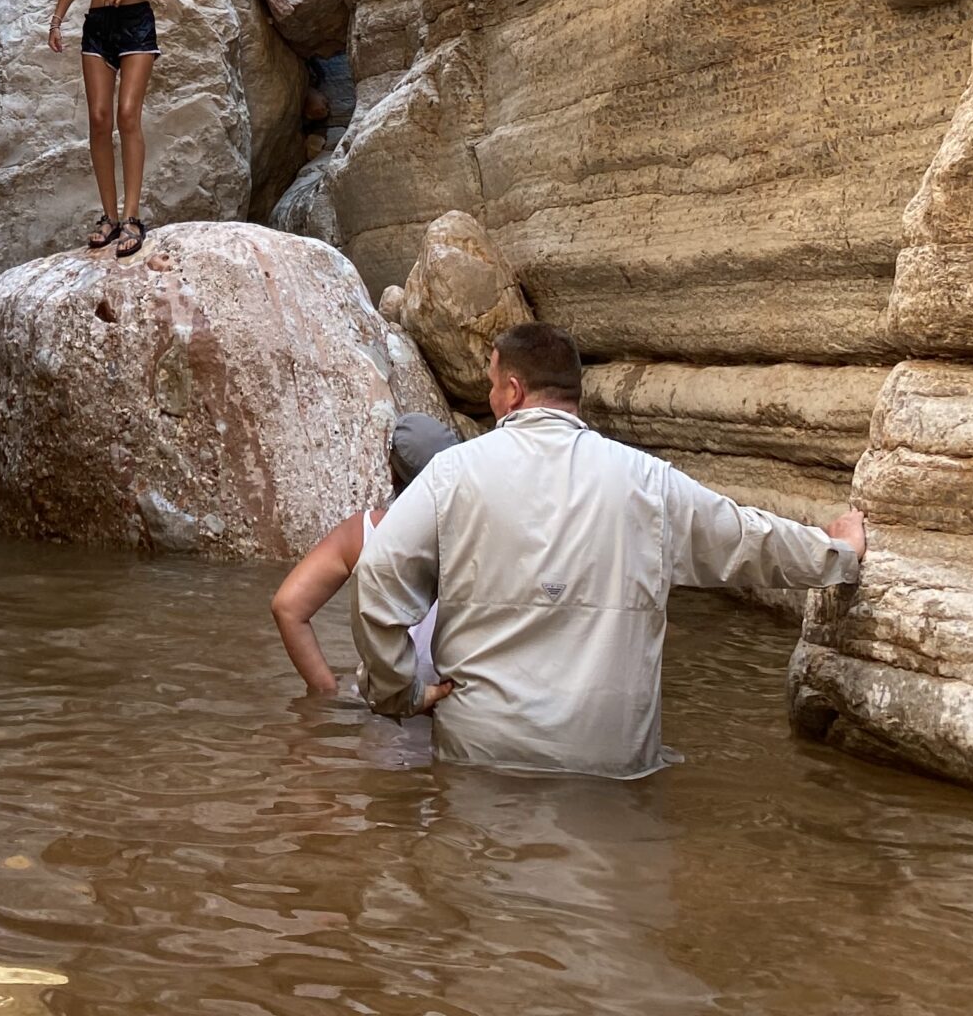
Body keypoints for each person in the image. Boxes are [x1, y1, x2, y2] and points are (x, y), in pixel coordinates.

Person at [352, 321, 867, 777]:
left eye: (490, 384)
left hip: (483, 745)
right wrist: (835, 551)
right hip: (608, 752)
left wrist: (399, 691)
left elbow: (378, 572)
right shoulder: (646, 480)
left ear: (512, 390)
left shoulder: (451, 473)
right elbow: (746, 539)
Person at [46, 0, 178, 258]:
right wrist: (56, 19)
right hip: (98, 27)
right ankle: (108, 216)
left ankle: (133, 216)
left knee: (127, 115)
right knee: (99, 119)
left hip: (136, 25)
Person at [270, 414, 459, 695]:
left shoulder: (363, 532)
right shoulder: (482, 533)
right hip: (456, 710)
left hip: (385, 705)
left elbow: (287, 607)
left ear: (392, 472)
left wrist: (326, 692)